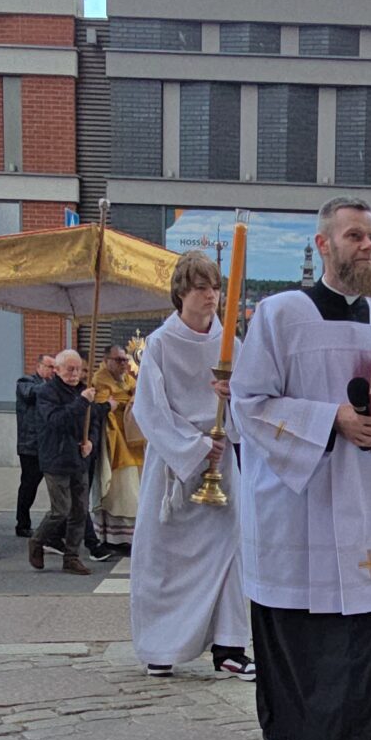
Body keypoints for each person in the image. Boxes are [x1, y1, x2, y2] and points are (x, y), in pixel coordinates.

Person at [232, 197, 371, 740]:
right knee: (292, 625)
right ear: (324, 245)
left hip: (365, 499)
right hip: (298, 499)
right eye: (354, 236)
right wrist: (331, 420)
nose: (367, 245)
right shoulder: (280, 315)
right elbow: (250, 404)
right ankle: (287, 725)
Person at [130, 251, 252, 679]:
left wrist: (234, 403)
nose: (211, 296)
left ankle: (230, 648)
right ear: (181, 292)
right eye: (201, 287)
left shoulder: (231, 344)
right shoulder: (161, 344)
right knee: (163, 559)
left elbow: (252, 403)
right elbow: (149, 409)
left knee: (229, 554)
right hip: (174, 465)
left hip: (223, 461)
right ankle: (160, 647)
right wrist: (197, 446)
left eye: (215, 287)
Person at [26, 350, 97, 576]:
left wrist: (90, 441)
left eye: (78, 369)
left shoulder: (84, 390)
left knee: (80, 511)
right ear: (57, 370)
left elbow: (93, 421)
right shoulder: (47, 393)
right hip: (56, 458)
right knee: (61, 510)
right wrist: (82, 402)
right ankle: (37, 540)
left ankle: (72, 557)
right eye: (70, 369)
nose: (75, 373)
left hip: (79, 458)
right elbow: (57, 421)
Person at [88, 344, 143, 555]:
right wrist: (125, 400)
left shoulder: (128, 379)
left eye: (125, 360)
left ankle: (129, 536)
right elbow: (102, 407)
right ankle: (113, 537)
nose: (124, 364)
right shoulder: (100, 379)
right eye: (119, 360)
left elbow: (136, 393)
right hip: (113, 441)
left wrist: (133, 397)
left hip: (132, 439)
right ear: (106, 361)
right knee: (121, 489)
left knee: (134, 488)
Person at [14, 354, 55, 535]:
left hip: (48, 445)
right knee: (29, 485)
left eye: (55, 368)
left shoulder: (51, 386)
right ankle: (22, 523)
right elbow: (30, 394)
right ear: (39, 366)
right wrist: (54, 385)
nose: (53, 371)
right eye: (50, 367)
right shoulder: (26, 381)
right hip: (30, 445)